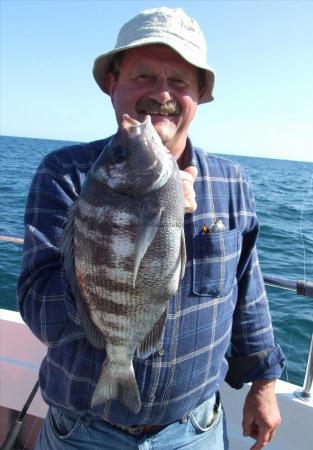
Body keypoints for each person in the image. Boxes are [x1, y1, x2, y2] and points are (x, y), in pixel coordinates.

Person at [17, 7, 285, 450]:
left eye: (179, 82)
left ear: (199, 95)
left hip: (196, 429)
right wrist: (109, 235)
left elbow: (248, 291)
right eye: (143, 76)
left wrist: (264, 383)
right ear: (112, 84)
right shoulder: (64, 173)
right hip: (82, 431)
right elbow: (40, 312)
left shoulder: (233, 181)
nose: (161, 94)